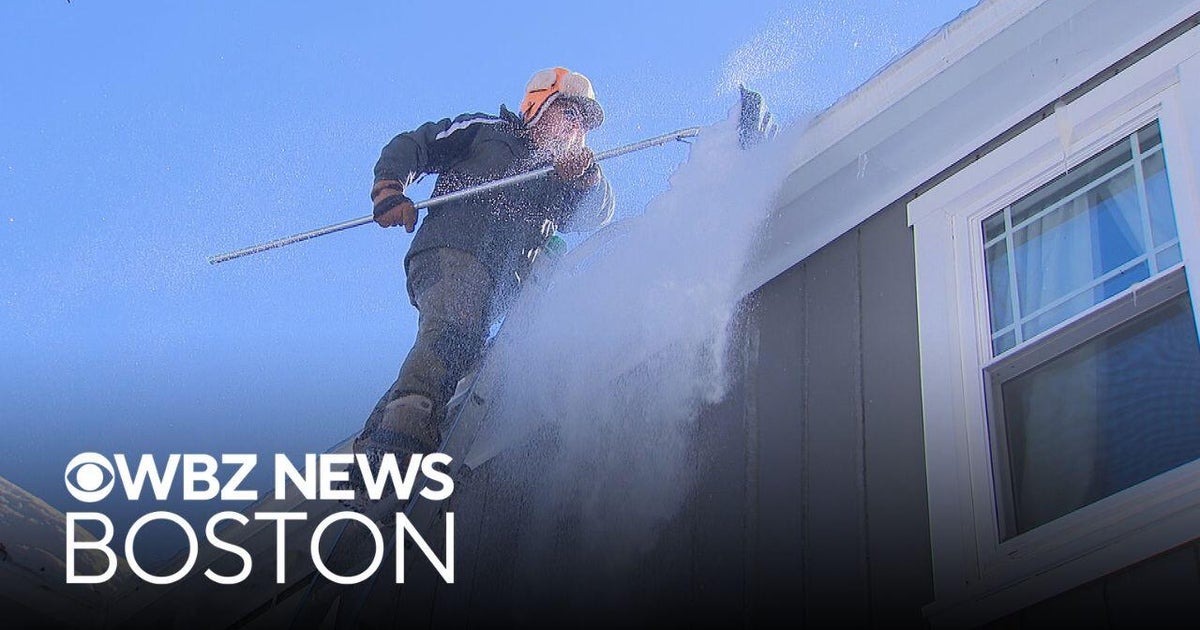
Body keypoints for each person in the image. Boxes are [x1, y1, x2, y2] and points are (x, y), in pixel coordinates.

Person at [347, 68, 614, 501]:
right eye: (569, 114)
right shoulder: (489, 133)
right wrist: (389, 188)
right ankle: (400, 443)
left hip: (496, 287)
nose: (575, 129)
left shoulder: (561, 178)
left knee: (460, 347)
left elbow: (597, 213)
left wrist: (585, 180)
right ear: (539, 105)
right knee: (455, 326)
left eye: (583, 124)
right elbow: (417, 144)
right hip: (454, 249)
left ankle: (373, 443)